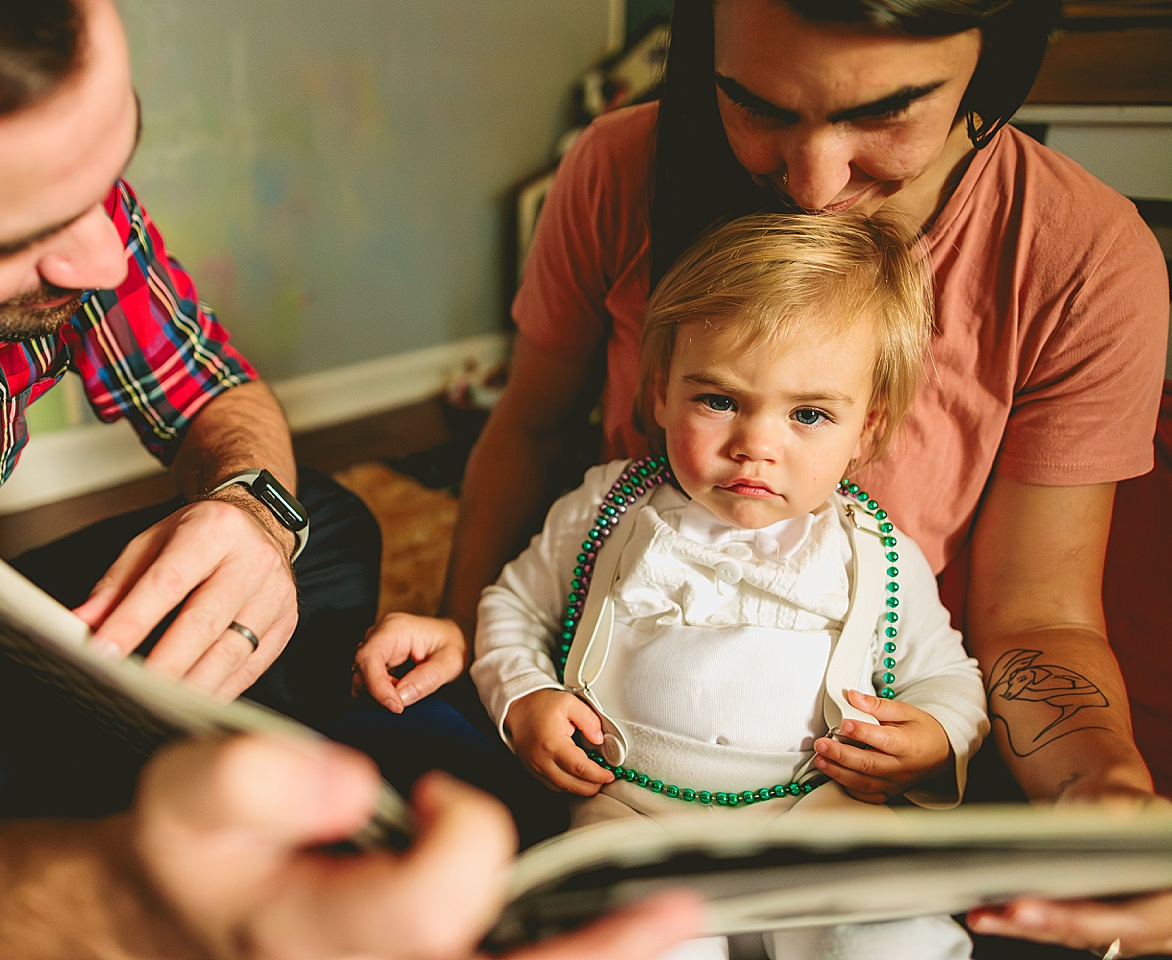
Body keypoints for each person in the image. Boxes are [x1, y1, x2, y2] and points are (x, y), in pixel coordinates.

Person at [0, 0, 711, 955]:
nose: (103, 258)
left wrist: (246, 509)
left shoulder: (48, 199)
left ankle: (251, 771)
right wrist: (129, 905)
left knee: (322, 526)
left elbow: (209, 389)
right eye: (4, 244)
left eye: (108, 174)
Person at [354, 0, 1170, 955]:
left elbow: (1037, 622)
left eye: (887, 113)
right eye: (754, 106)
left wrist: (1100, 787)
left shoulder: (1083, 257)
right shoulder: (620, 166)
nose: (812, 182)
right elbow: (525, 432)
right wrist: (492, 673)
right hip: (617, 780)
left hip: (837, 785)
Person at [473, 212, 985, 960]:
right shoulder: (608, 506)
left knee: (887, 927)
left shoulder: (877, 551)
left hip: (815, 809)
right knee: (618, 937)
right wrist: (523, 697)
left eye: (809, 414)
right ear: (659, 394)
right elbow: (513, 606)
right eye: (718, 401)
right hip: (631, 813)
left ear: (867, 431)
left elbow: (947, 672)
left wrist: (936, 737)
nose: (756, 445)